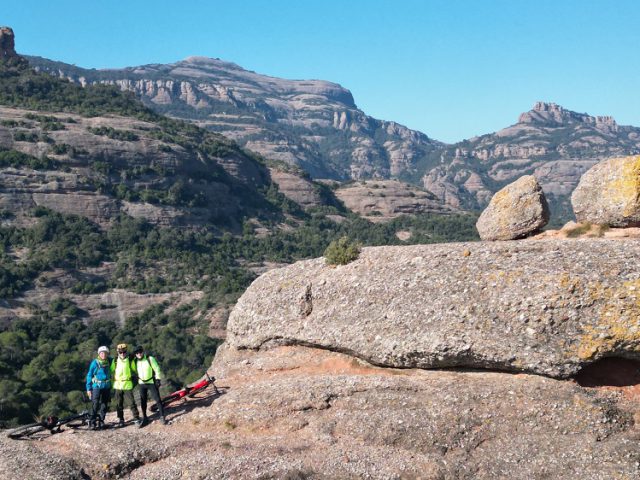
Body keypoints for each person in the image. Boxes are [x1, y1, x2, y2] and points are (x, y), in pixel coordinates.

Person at [133, 345, 168, 426]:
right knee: (143, 401)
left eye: (140, 352)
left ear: (143, 351)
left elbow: (157, 368)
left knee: (157, 399)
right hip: (141, 383)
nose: (139, 354)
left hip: (151, 381)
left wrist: (158, 379)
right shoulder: (135, 361)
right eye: (137, 353)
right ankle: (145, 418)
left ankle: (162, 416)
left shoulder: (149, 358)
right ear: (135, 354)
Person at [111, 343, 141, 428]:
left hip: (127, 385)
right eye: (120, 352)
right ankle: (121, 419)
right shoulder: (115, 360)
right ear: (118, 352)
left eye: (124, 352)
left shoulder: (130, 359)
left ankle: (136, 418)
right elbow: (110, 370)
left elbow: (136, 369)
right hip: (118, 385)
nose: (122, 354)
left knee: (131, 403)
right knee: (119, 404)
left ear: (126, 351)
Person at [85, 345, 112, 430]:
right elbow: (89, 375)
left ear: (107, 354)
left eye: (105, 353)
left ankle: (101, 420)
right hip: (96, 386)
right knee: (95, 404)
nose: (103, 355)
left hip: (106, 386)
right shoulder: (95, 363)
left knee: (104, 404)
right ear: (99, 354)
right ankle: (92, 422)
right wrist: (88, 388)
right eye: (102, 353)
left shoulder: (110, 361)